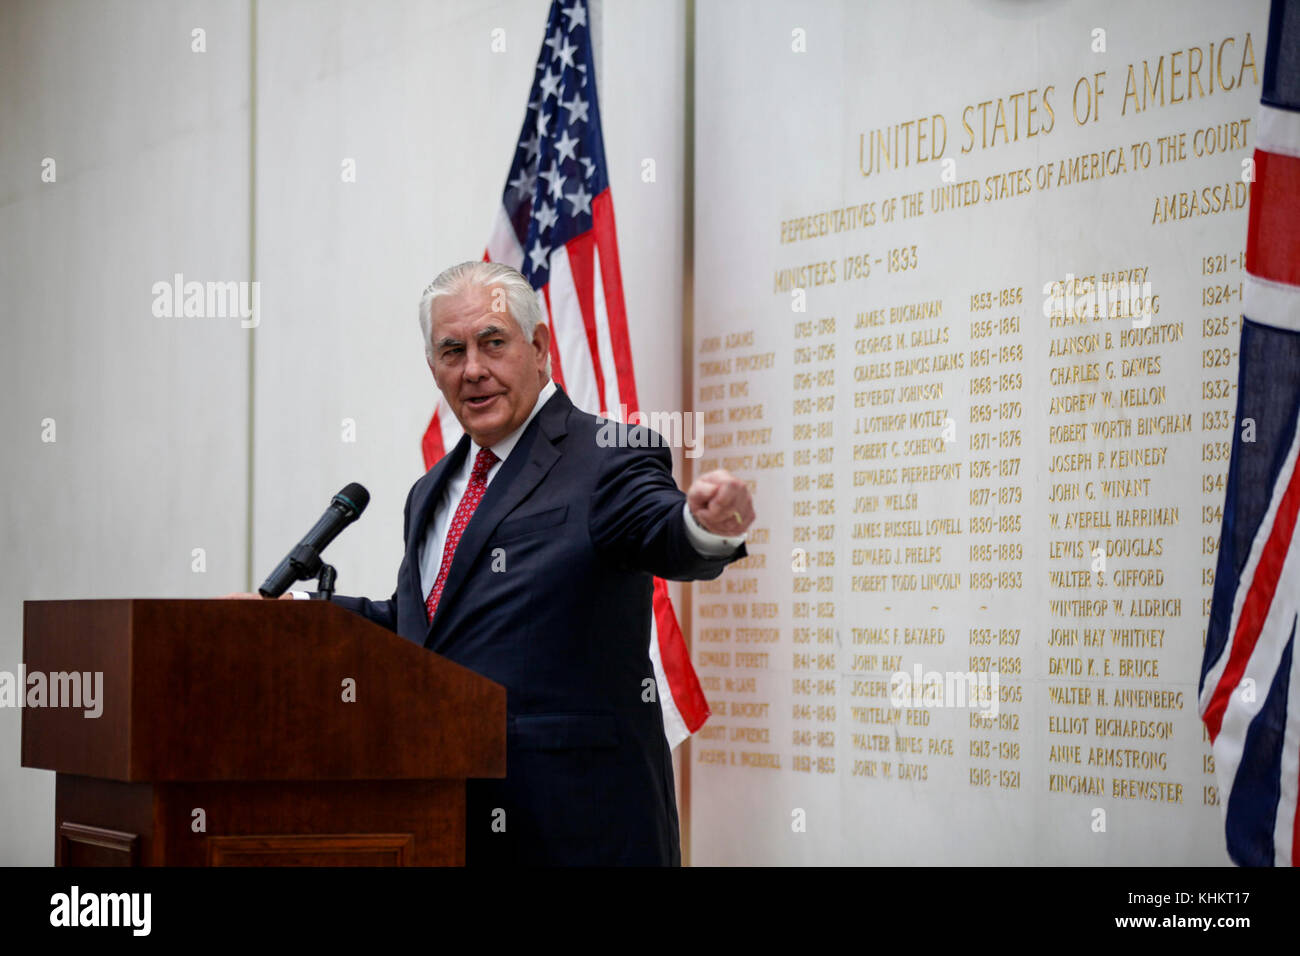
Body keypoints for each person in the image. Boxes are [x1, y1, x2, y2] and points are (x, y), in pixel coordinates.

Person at [306, 260, 754, 865]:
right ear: (432, 367)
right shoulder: (431, 490)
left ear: (540, 348)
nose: (473, 370)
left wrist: (702, 527)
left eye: (493, 343)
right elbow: (428, 634)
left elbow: (662, 530)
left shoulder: (607, 458)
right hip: (447, 823)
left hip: (580, 834)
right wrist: (299, 619)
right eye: (451, 351)